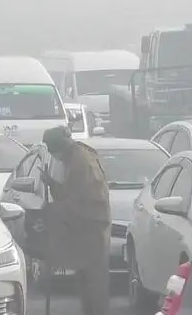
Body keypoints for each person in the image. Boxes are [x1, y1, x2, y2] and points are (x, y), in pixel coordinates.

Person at [41, 126, 110, 315]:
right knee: (85, 283)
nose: (51, 153)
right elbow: (72, 192)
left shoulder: (81, 161)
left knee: (94, 286)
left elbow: (85, 202)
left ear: (59, 144)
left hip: (92, 230)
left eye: (50, 148)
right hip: (84, 232)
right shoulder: (73, 158)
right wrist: (52, 184)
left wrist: (52, 210)